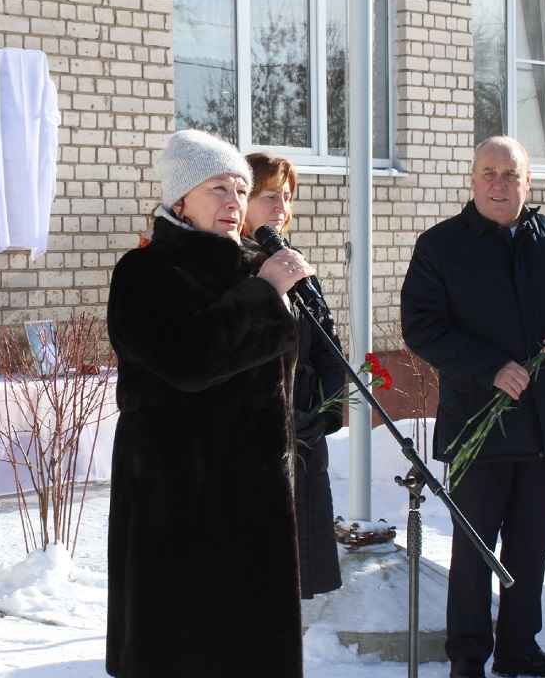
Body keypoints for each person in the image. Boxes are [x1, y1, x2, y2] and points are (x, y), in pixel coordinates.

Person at [400, 136, 545, 678]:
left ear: (527, 182)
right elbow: (422, 327)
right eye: (488, 173)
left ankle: (520, 648)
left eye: (510, 174)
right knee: (476, 546)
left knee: (530, 544)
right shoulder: (440, 245)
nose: (499, 184)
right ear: (472, 181)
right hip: (481, 418)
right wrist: (488, 366)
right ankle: (468, 655)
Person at [105, 129, 313, 678]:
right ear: (180, 200)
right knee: (180, 649)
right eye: (218, 188)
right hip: (177, 501)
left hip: (254, 497)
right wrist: (264, 295)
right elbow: (188, 361)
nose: (234, 203)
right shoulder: (143, 272)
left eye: (241, 191)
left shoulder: (252, 267)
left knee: (251, 646)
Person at [243, 151, 345, 599]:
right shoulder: (236, 268)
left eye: (286, 197)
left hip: (305, 431)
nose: (281, 208)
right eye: (269, 196)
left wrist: (325, 413)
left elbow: (327, 342)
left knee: (302, 568)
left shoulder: (295, 264)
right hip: (257, 437)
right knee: (258, 574)